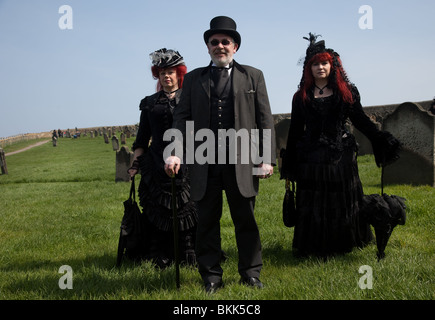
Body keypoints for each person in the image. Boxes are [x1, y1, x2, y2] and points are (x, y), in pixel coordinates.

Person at [164, 16, 276, 293]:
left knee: (246, 222)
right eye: (214, 42)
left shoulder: (253, 75)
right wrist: (174, 153)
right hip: (205, 161)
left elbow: (265, 120)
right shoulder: (192, 80)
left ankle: (251, 273)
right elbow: (181, 118)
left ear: (235, 46)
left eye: (225, 42)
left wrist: (267, 157)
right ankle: (211, 276)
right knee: (207, 224)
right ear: (208, 47)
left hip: (243, 162)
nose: (220, 46)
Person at [281, 33, 401, 258]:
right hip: (312, 157)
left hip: (341, 156)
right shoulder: (301, 97)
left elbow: (360, 120)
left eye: (324, 63)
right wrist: (289, 164)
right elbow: (295, 130)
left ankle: (344, 242)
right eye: (315, 64)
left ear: (332, 64)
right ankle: (315, 246)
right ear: (308, 68)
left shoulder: (346, 92)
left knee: (341, 201)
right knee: (314, 202)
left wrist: (380, 138)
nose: (320, 67)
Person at [128, 48, 197, 269]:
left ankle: (189, 256)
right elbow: (142, 138)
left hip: (188, 162)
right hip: (156, 163)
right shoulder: (149, 103)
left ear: (179, 73)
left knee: (187, 210)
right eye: (161, 73)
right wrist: (136, 163)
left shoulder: (192, 99)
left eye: (170, 72)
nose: (166, 76)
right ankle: (161, 256)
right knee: (158, 212)